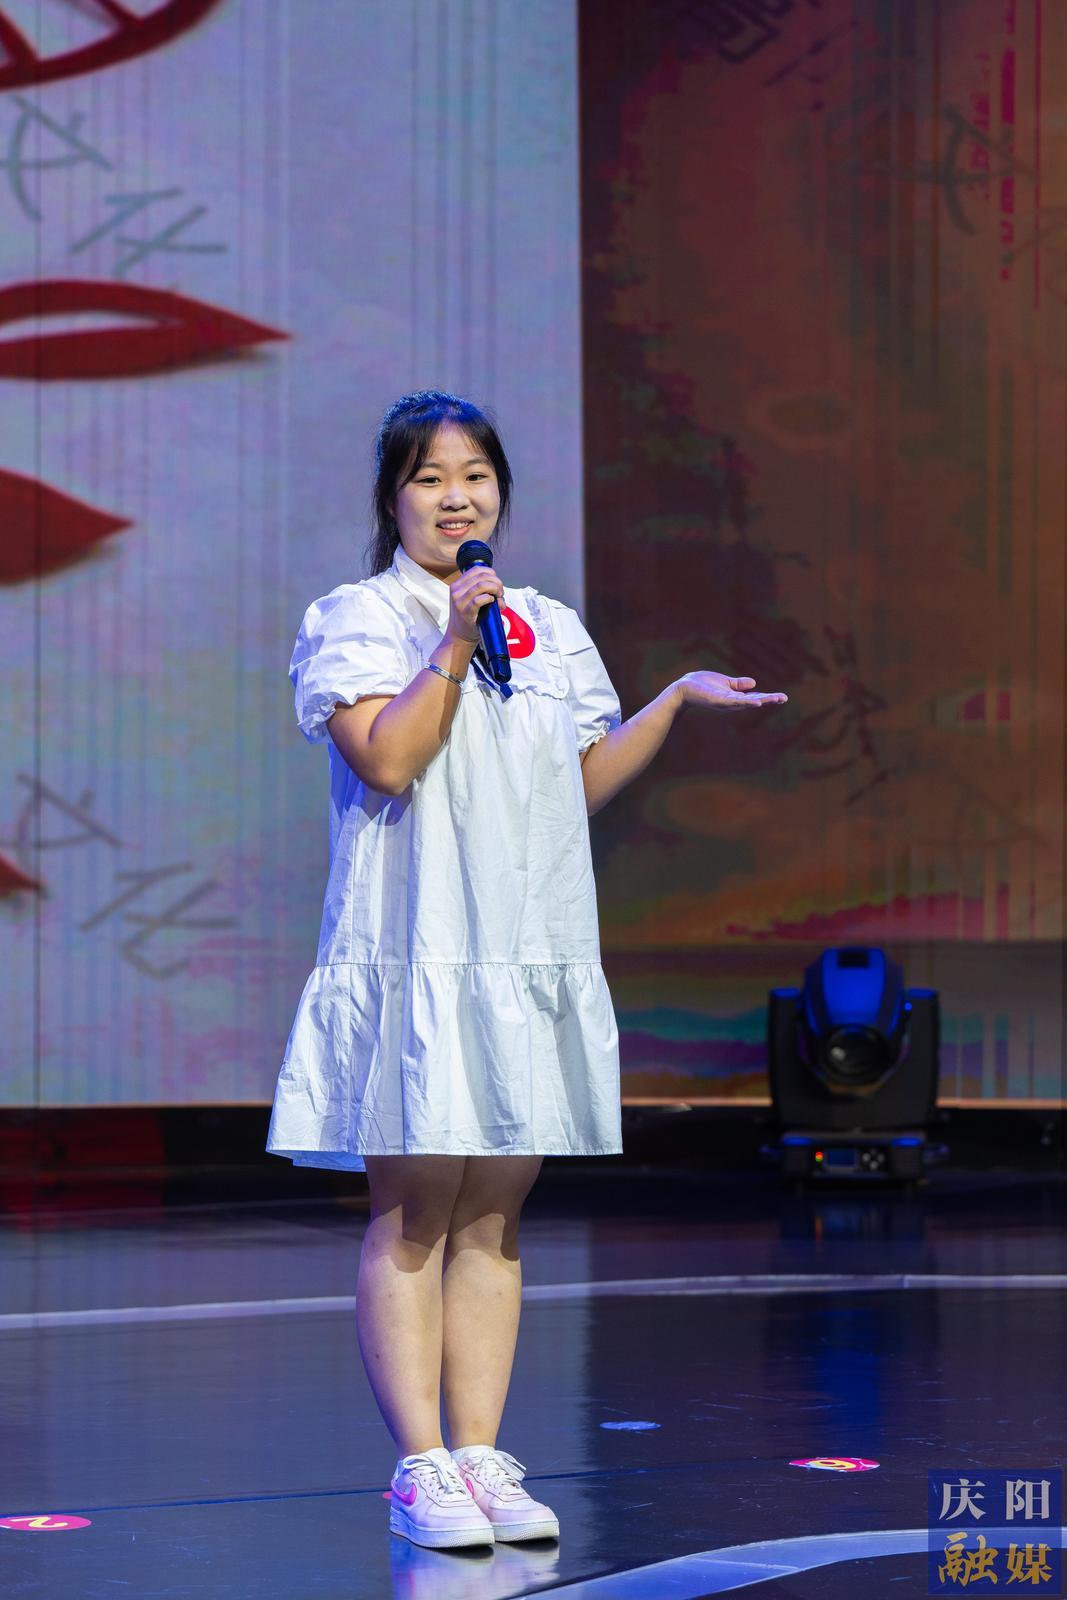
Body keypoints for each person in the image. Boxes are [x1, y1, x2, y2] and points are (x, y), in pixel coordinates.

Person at [265, 389, 788, 1551]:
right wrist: (452, 639)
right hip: (419, 946)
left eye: (476, 477)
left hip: (524, 944)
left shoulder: (546, 624)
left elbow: (574, 787)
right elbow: (388, 760)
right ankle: (419, 1465)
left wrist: (669, 703)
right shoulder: (358, 616)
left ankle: (483, 1454)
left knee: (494, 1219)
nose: (456, 499)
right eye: (430, 478)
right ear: (392, 497)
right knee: (414, 1210)